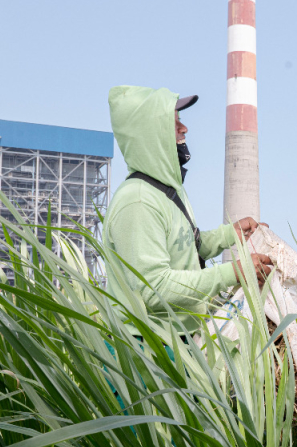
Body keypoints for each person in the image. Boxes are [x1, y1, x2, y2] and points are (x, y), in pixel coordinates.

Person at [104, 86, 272, 331]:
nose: (184, 129)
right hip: (148, 353)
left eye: (180, 121)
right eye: (173, 124)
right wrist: (234, 272)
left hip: (179, 343)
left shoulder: (167, 190)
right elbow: (154, 288)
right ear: (150, 136)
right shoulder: (138, 202)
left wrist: (230, 234)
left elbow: (186, 247)